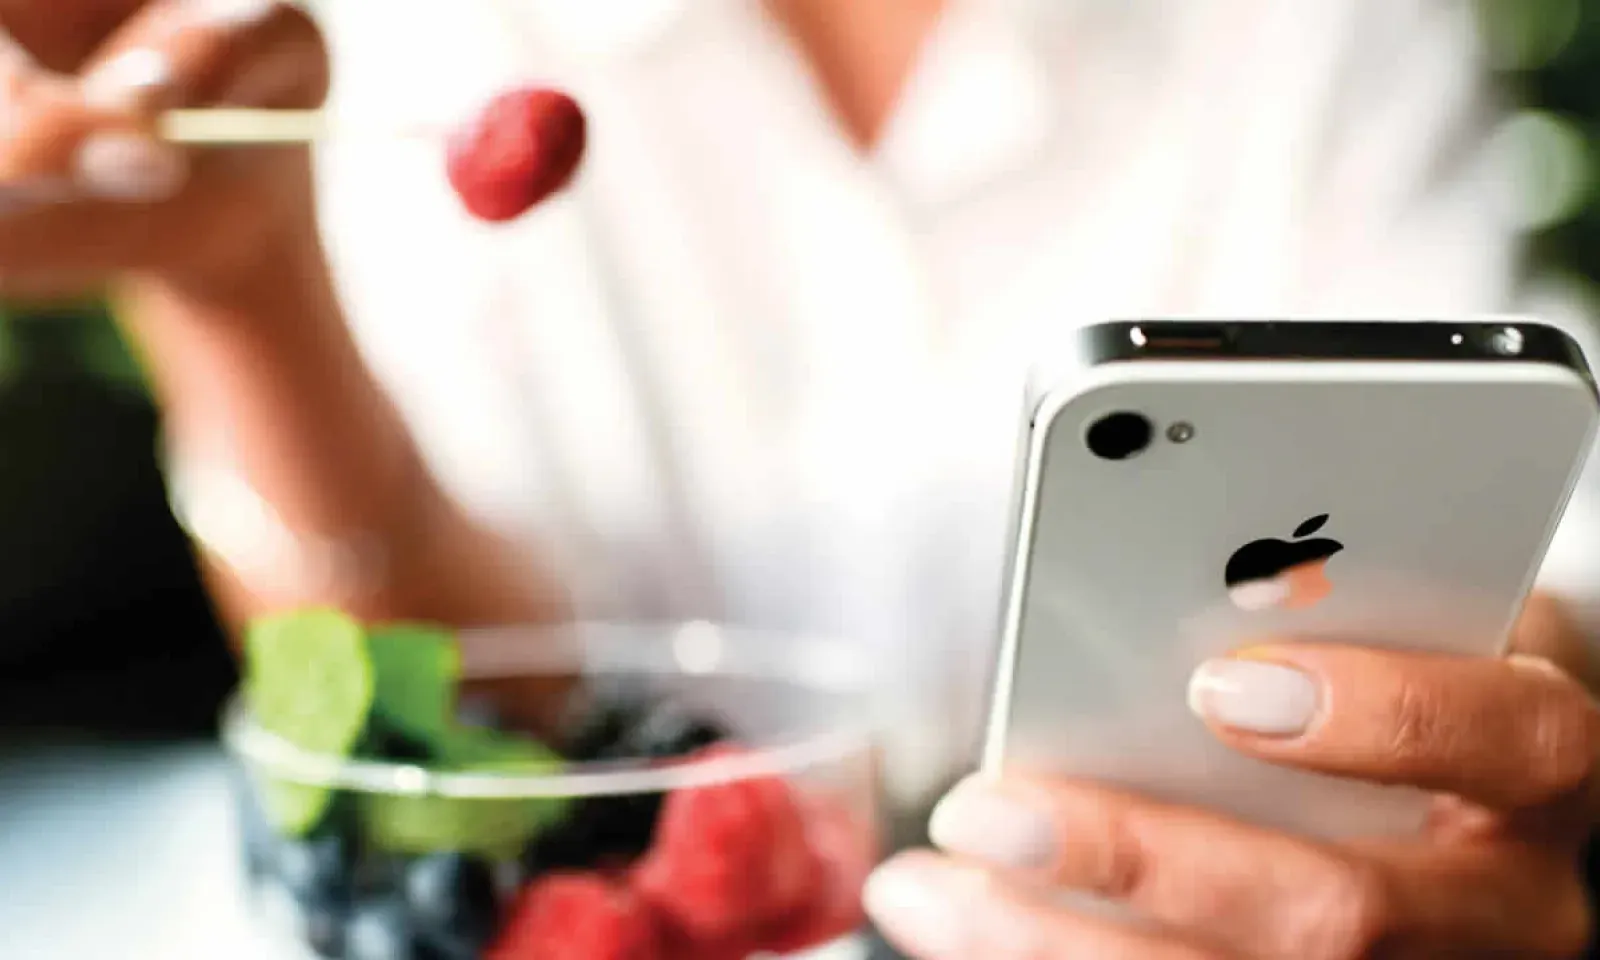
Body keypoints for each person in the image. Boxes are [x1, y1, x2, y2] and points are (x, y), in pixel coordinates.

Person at [2, 0, 1599, 955]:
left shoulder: (1308, 30)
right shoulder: (422, 41)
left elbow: (1516, 532)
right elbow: (467, 727)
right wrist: (244, 291)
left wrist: (1505, 714)